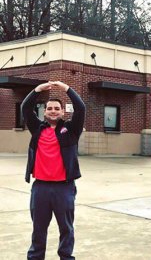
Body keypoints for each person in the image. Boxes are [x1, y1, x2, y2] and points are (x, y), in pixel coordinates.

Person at [21, 81, 86, 260]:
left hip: (64, 188)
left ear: (62, 112)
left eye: (57, 108)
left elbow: (81, 108)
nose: (53, 111)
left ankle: (66, 257)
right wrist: (37, 89)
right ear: (44, 111)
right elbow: (26, 108)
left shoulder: (71, 130)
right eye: (49, 108)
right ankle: (35, 257)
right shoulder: (37, 129)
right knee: (38, 228)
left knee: (66, 227)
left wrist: (65, 88)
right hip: (40, 188)